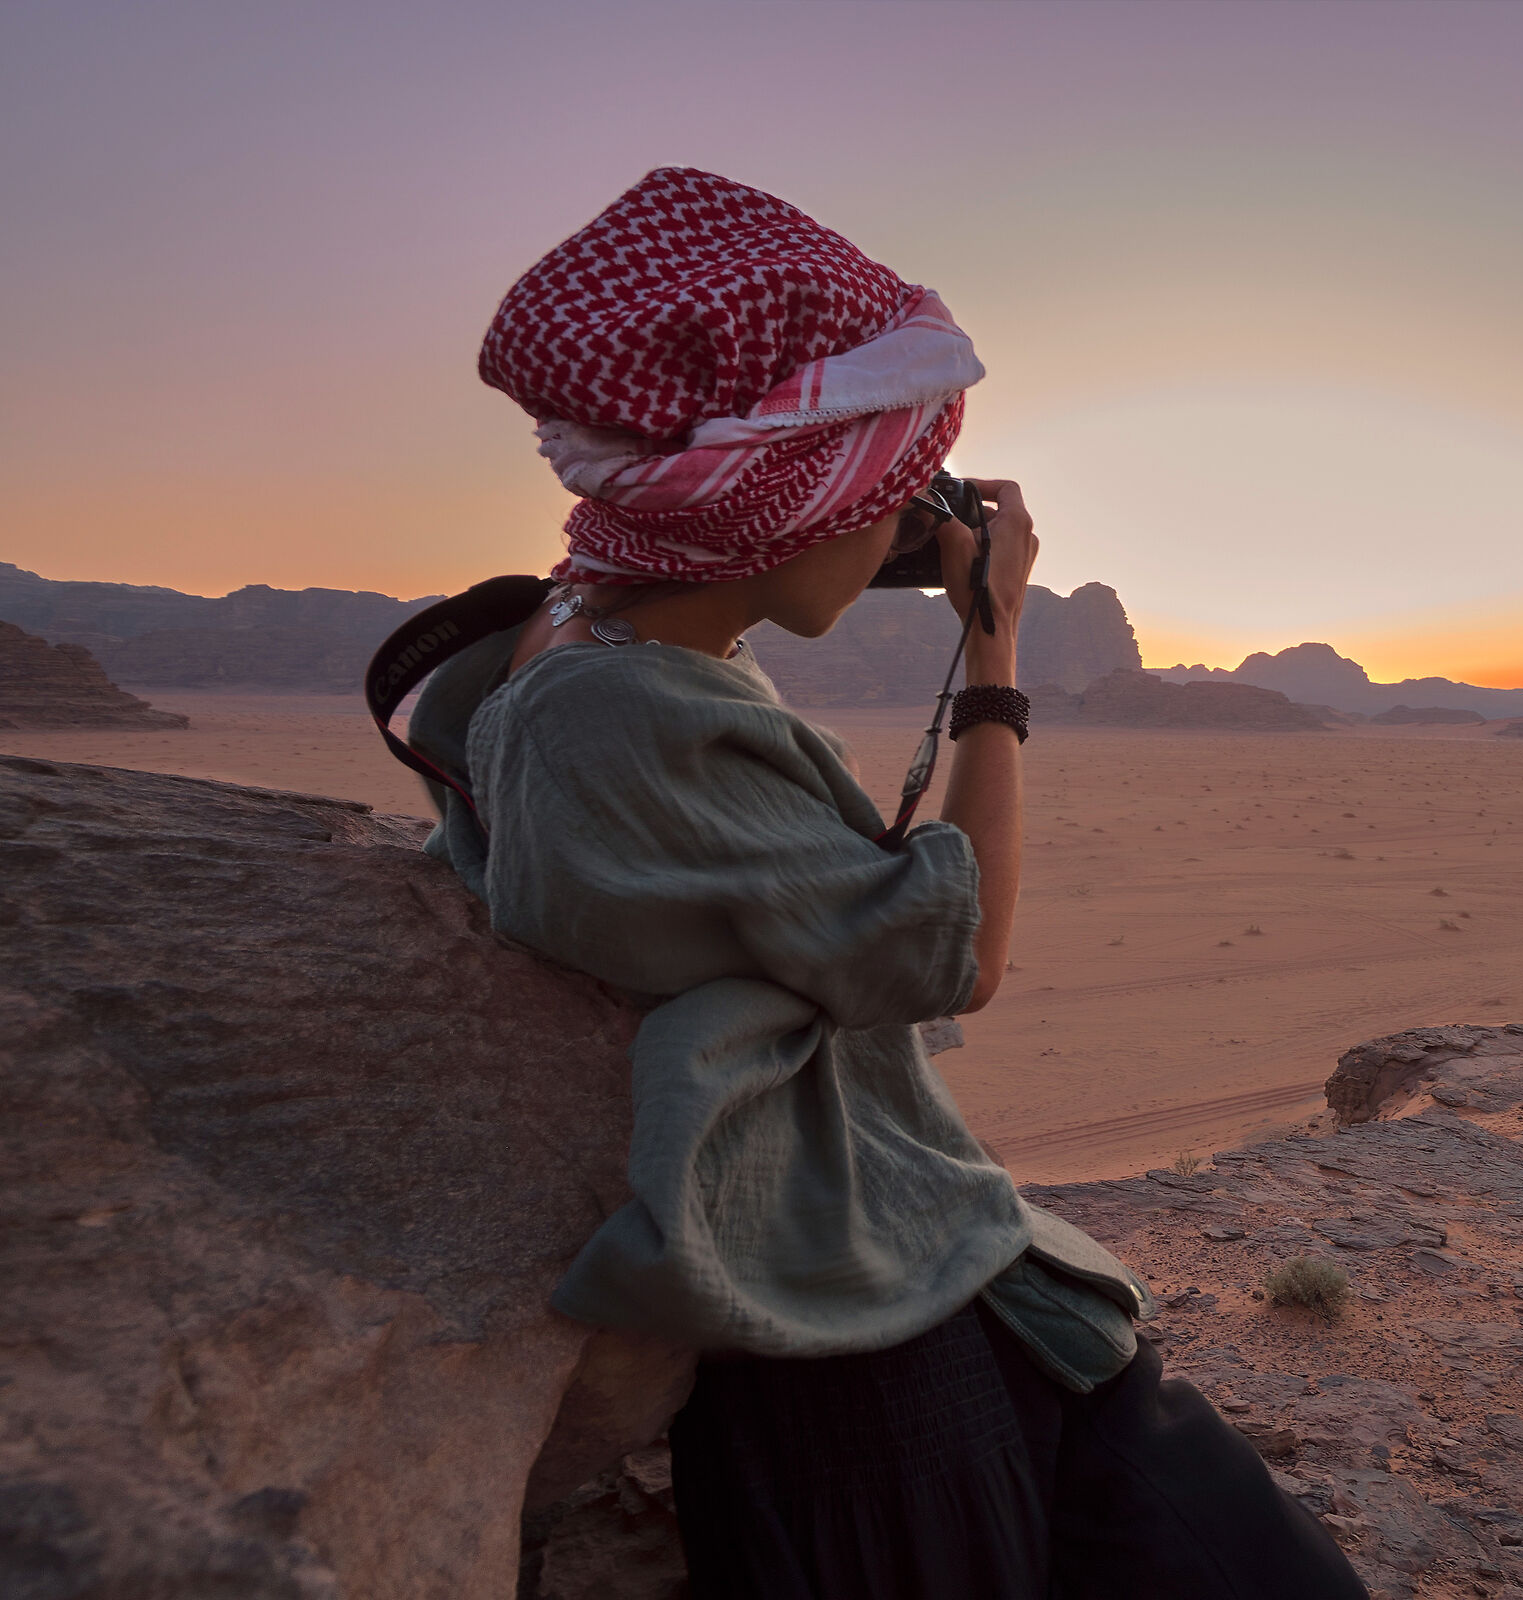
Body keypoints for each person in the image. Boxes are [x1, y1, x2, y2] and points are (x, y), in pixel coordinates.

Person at [406, 168, 1365, 1600]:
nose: (898, 529)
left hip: (916, 1269)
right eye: (887, 490)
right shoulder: (620, 711)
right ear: (783, 503)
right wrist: (994, 660)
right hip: (851, 1337)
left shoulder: (591, 633)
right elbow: (954, 958)